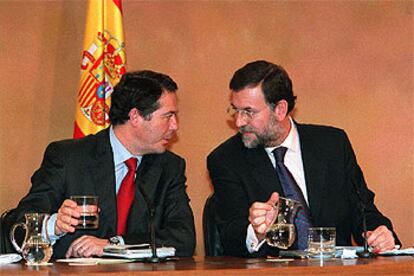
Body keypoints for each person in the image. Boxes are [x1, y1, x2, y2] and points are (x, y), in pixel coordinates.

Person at [207, 60, 400, 257]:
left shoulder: (332, 145)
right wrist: (256, 232)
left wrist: (380, 234)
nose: (239, 121)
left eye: (248, 111)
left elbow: (364, 211)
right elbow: (230, 236)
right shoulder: (226, 160)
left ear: (280, 109)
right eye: (235, 110)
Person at [4, 70, 196, 259]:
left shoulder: (169, 167)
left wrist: (114, 244)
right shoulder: (69, 158)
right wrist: (54, 225)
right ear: (135, 116)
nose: (175, 126)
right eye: (168, 116)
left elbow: (184, 239)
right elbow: (20, 226)